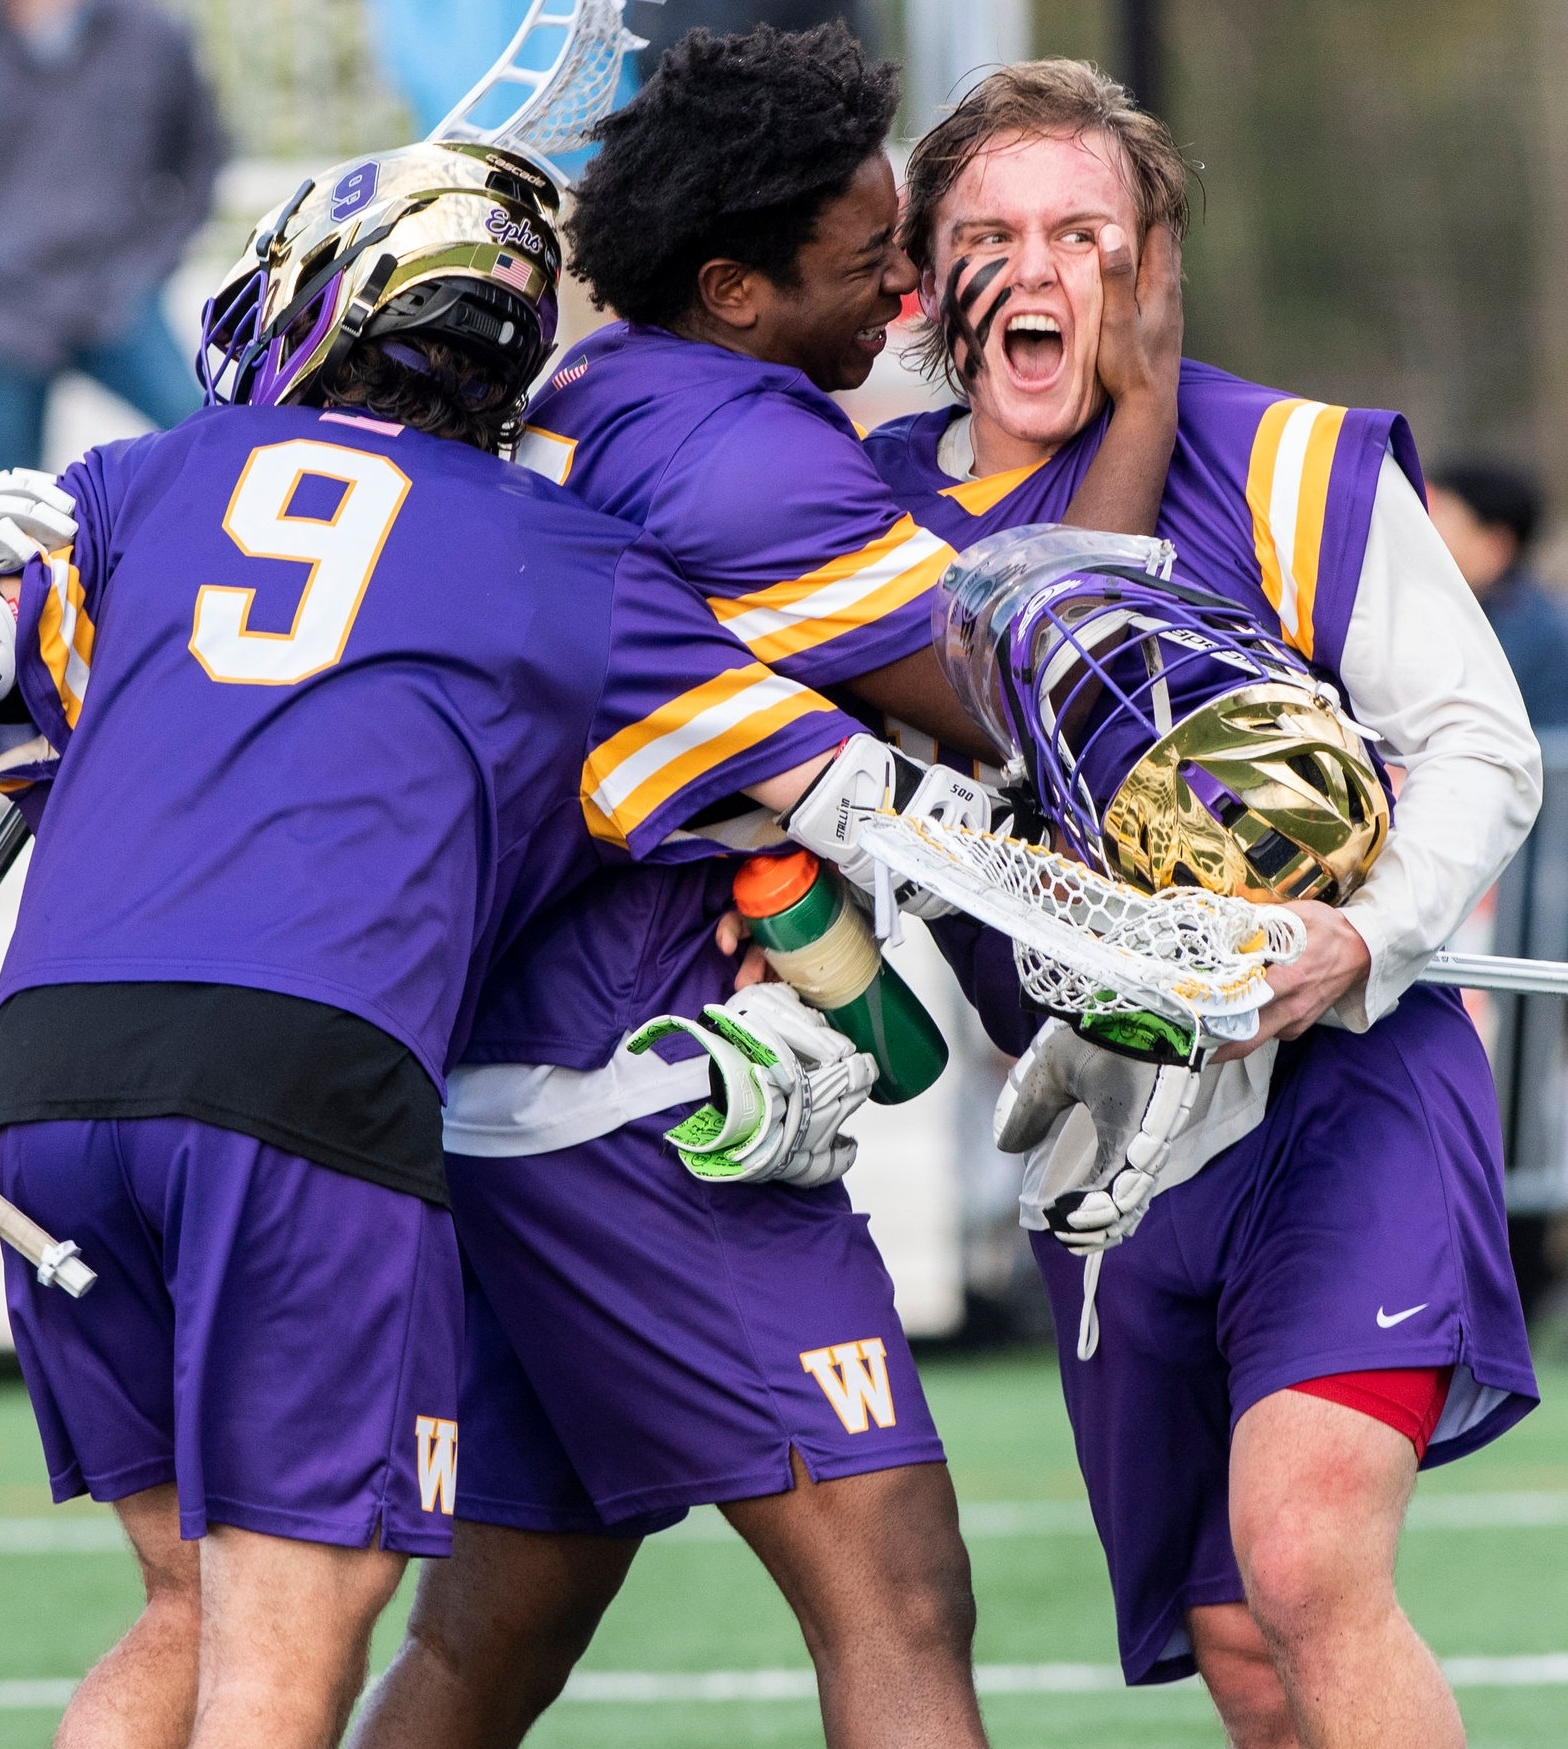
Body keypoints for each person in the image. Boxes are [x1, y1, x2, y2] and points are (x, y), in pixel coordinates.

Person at [0, 142, 961, 1749]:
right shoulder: (576, 566)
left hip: (50, 1087)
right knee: (284, 1651)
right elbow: (848, 791)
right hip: (308, 1092)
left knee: (189, 1610)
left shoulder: (147, 479)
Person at [352, 26, 1180, 1749]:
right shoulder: (741, 460)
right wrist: (1149, 403)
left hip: (507, 1070)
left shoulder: (596, 389)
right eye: (869, 264)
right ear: (731, 285)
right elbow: (1029, 689)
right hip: (639, 1098)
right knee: (898, 1585)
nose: (901, 299)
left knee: (497, 1623)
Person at [861, 61, 1540, 1747]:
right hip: (1103, 1144)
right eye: (991, 232)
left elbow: (1477, 742)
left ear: (1153, 264)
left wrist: (1358, 935)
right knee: (1240, 1643)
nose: (1041, 266)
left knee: (1308, 1558)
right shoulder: (845, 513)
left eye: (1086, 231)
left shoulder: (1290, 459)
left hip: (1343, 1086)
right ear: (923, 280)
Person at [0, 0, 227, 471]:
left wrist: (153, 260)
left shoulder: (149, 36)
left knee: (212, 441)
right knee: (3, 507)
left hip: (115, 297)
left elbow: (201, 154)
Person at [1428, 460, 1568, 725]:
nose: (1427, 532)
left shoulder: (1537, 638)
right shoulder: (1449, 615)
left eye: (1443, 516)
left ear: (1495, 544)